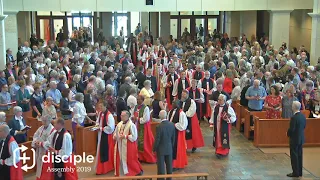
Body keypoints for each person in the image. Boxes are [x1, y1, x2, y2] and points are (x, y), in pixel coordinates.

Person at [113, 110, 143, 176]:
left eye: (123, 116)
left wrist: (125, 136)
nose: (121, 117)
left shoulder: (131, 125)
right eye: (121, 115)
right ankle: (122, 172)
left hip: (129, 145)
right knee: (120, 159)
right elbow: (115, 133)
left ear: (127, 116)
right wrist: (116, 136)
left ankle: (136, 171)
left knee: (131, 160)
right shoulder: (119, 124)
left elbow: (134, 137)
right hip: (120, 145)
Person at [209, 94, 236, 158]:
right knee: (217, 136)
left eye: (220, 100)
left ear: (224, 100)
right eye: (218, 99)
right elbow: (213, 115)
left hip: (224, 126)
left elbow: (233, 117)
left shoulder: (228, 108)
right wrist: (211, 123)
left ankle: (224, 151)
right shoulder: (216, 107)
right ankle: (218, 149)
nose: (219, 101)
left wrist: (228, 119)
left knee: (224, 137)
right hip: (217, 125)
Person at [132, 95, 156, 163]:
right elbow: (133, 114)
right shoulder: (136, 107)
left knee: (144, 143)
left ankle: (146, 157)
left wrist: (137, 119)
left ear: (142, 100)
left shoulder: (146, 108)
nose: (137, 101)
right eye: (137, 99)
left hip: (144, 127)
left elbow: (146, 119)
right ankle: (139, 157)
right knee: (137, 142)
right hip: (136, 126)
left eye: (139, 99)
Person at [153, 110, 175, 179]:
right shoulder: (172, 125)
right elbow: (173, 138)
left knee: (161, 167)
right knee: (169, 166)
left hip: (161, 149)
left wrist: (154, 148)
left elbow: (157, 139)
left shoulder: (159, 126)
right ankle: (169, 178)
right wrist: (172, 146)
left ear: (160, 116)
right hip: (169, 148)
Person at [32, 115, 55, 180]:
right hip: (40, 151)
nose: (43, 122)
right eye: (43, 120)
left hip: (47, 153)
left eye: (45, 121)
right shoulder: (41, 128)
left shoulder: (52, 130)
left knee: (45, 169)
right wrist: (35, 142)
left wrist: (42, 144)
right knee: (39, 168)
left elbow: (50, 141)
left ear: (49, 121)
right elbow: (35, 136)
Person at [95, 102, 115, 175]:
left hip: (107, 136)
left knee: (106, 151)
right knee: (100, 150)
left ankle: (106, 168)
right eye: (99, 106)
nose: (99, 107)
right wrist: (97, 126)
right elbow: (97, 122)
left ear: (105, 106)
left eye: (101, 106)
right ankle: (101, 168)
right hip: (100, 134)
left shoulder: (109, 115)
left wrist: (101, 128)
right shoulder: (100, 113)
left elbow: (111, 127)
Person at [286, 101, 306, 178]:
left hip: (294, 139)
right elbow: (304, 126)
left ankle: (295, 172)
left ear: (294, 107)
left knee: (294, 156)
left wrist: (288, 134)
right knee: (300, 155)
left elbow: (292, 129)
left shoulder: (294, 117)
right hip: (301, 138)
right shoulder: (302, 116)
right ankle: (300, 171)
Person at [167, 100, 188, 170]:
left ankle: (177, 164)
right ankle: (172, 163)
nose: (172, 104)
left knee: (177, 148)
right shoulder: (170, 111)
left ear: (178, 104)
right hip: (171, 132)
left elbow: (183, 125)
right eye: (172, 102)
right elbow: (168, 120)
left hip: (178, 133)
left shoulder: (181, 113)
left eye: (174, 103)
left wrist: (174, 124)